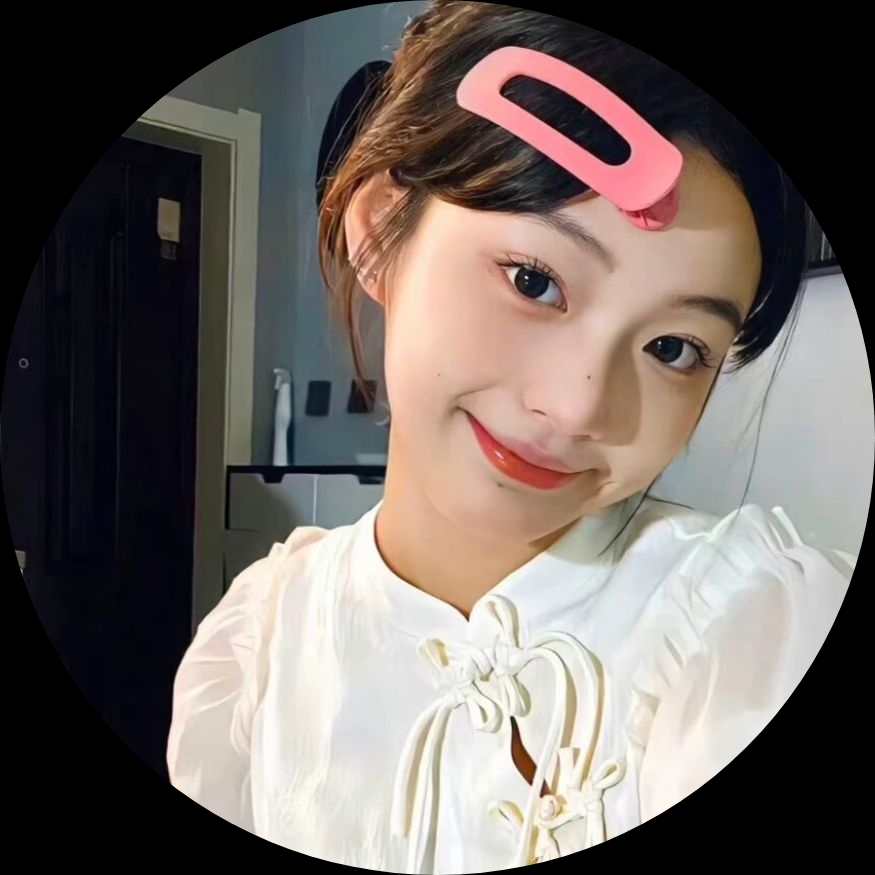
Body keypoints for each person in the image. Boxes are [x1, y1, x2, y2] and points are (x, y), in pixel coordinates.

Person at [167, 4, 853, 872]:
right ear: (378, 235)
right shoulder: (257, 646)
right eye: (533, 280)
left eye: (672, 348)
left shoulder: (746, 633)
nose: (576, 407)